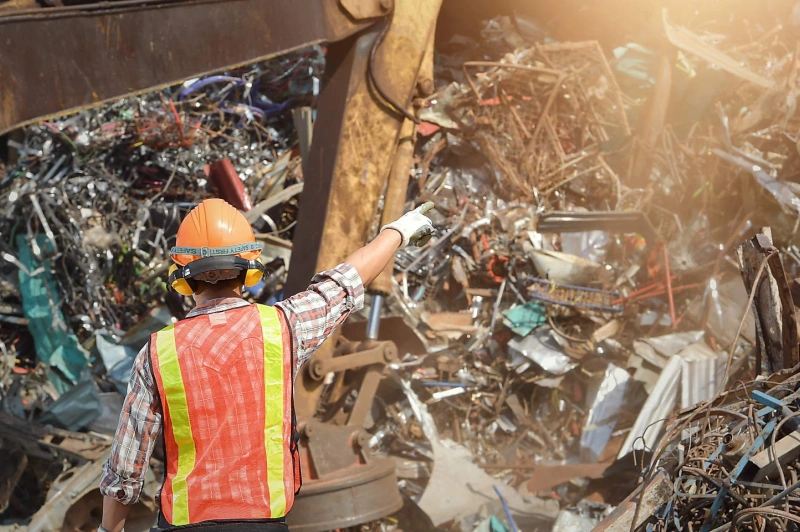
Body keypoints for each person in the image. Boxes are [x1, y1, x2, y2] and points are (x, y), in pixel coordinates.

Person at [98, 198, 435, 532]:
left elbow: (125, 469)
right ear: (249, 267)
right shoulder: (284, 327)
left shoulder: (158, 352)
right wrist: (399, 230)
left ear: (183, 274)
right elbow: (345, 282)